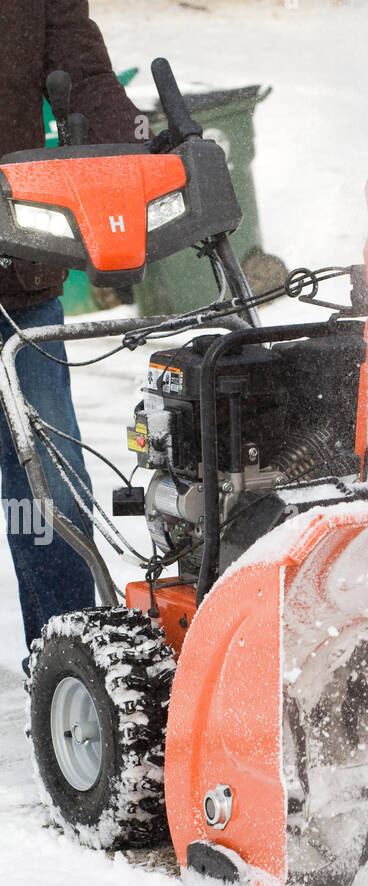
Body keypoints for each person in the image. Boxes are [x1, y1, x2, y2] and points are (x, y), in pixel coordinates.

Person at [0, 0, 144, 657]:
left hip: (17, 271)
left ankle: (63, 658)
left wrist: (139, 147)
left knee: (46, 484)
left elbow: (84, 75)